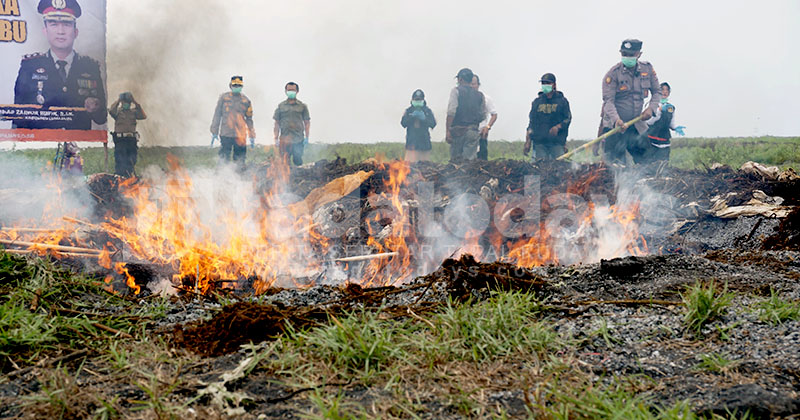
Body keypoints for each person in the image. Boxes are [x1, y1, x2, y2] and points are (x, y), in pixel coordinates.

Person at [13, 0, 106, 130]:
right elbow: (19, 118)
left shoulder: (90, 67)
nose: (60, 31)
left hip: (78, 144)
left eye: (67, 24)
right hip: (41, 144)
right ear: (45, 30)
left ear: (75, 32)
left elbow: (102, 118)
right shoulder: (30, 66)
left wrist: (96, 108)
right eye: (53, 24)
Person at [600, 39, 661, 164]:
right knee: (616, 165)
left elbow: (657, 92)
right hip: (615, 126)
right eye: (624, 54)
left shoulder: (647, 69)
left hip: (636, 124)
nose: (627, 57)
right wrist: (616, 120)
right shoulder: (613, 74)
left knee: (648, 162)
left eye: (630, 54)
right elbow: (608, 102)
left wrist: (651, 109)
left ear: (639, 54)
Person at [524, 73, 572, 160]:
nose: (545, 85)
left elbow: (568, 119)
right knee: (538, 169)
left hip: (557, 143)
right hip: (540, 143)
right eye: (543, 83)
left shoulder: (562, 101)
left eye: (548, 83)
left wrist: (558, 127)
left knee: (559, 169)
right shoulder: (537, 102)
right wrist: (528, 141)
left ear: (554, 85)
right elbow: (532, 123)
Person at [211, 75, 255, 166]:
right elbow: (217, 115)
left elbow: (249, 119)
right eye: (235, 85)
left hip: (240, 135)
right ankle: (221, 176)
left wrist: (252, 134)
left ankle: (238, 177)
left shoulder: (246, 101)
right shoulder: (224, 98)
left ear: (242, 87)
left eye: (239, 86)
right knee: (223, 158)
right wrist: (214, 130)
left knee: (239, 160)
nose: (236, 88)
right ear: (230, 85)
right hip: (226, 134)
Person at [446, 68, 486, 163]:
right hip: (473, 132)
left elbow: (451, 112)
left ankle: (456, 178)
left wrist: (448, 131)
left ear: (460, 79)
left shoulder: (456, 91)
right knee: (469, 163)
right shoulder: (480, 95)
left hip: (457, 132)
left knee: (456, 162)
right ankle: (467, 178)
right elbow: (483, 115)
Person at [641, 82, 686, 163]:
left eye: (667, 90)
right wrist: (659, 111)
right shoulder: (651, 105)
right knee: (649, 163)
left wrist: (675, 128)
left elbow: (671, 123)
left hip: (664, 139)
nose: (665, 92)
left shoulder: (671, 107)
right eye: (662, 89)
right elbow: (648, 122)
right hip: (651, 139)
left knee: (663, 163)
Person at [108, 92, 146, 177]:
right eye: (125, 102)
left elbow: (143, 116)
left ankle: (129, 178)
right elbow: (111, 111)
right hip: (121, 140)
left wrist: (135, 102)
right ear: (122, 102)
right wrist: (118, 100)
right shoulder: (118, 112)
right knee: (120, 160)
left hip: (131, 140)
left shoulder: (133, 112)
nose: (126, 104)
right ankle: (120, 178)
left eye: (128, 102)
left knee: (132, 160)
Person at [273, 82, 311, 166]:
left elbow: (307, 122)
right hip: (284, 139)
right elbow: (277, 123)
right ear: (286, 91)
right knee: (284, 162)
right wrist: (276, 138)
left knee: (298, 160)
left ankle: (299, 178)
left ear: (297, 91)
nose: (291, 92)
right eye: (289, 90)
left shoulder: (302, 106)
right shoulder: (281, 106)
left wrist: (307, 137)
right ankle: (285, 179)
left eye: (293, 90)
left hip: (298, 139)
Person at [400, 89, 436, 163]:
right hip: (411, 144)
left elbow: (433, 124)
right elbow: (403, 123)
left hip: (424, 144)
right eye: (416, 99)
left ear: (423, 100)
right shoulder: (408, 111)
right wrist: (411, 117)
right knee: (409, 167)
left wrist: (424, 119)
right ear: (412, 100)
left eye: (419, 100)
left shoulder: (427, 111)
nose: (418, 101)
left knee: (425, 167)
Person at [471, 74, 497, 161]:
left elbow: (494, 115)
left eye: (474, 84)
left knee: (482, 160)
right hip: (468, 135)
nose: (472, 86)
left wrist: (487, 127)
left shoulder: (486, 98)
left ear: (478, 85)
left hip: (481, 134)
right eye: (470, 84)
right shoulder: (463, 99)